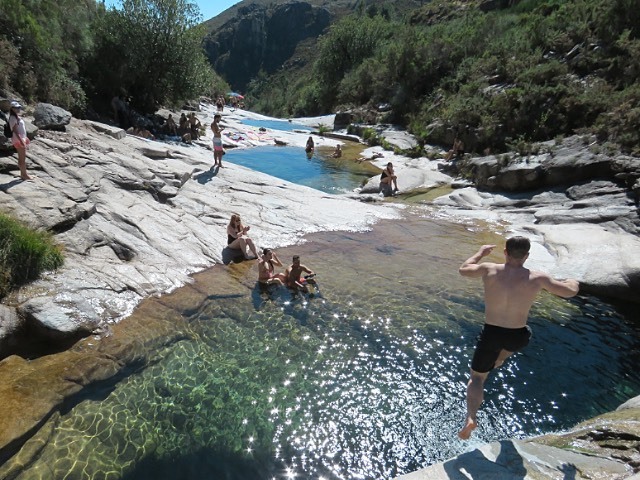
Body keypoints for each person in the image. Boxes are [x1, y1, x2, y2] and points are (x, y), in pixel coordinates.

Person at [457, 236, 580, 440]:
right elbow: (569, 292)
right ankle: (501, 358)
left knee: (477, 378)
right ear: (527, 256)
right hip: (517, 335)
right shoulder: (538, 277)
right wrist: (573, 282)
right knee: (516, 343)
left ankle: (471, 417)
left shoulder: (489, 269)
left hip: (491, 333)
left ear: (505, 252)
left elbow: (464, 269)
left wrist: (480, 252)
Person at [8, 101, 31, 180]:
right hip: (18, 140)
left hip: (21, 138)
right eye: (16, 108)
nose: (18, 109)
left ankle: (23, 174)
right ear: (12, 108)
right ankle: (24, 175)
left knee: (21, 158)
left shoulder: (16, 117)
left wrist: (24, 138)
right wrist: (21, 141)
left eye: (19, 107)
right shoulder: (12, 118)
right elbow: (15, 131)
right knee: (22, 159)